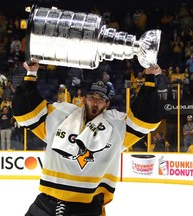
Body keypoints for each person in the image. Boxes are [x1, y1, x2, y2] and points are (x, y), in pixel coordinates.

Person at [12, 61, 162, 216]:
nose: (95, 102)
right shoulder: (61, 115)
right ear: (84, 99)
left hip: (87, 207)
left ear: (107, 104)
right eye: (92, 97)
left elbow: (146, 118)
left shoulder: (116, 126)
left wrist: (149, 78)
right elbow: (26, 112)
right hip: (46, 203)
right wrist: (31, 74)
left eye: (101, 99)